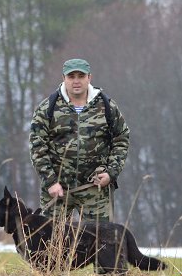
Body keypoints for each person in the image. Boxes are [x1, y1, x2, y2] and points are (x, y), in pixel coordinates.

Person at [29, 58, 130, 222]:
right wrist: (50, 181)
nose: (76, 81)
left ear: (89, 78)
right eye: (71, 76)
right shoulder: (47, 108)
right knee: (53, 244)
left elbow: (121, 139)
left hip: (95, 189)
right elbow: (37, 147)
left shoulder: (107, 106)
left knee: (98, 244)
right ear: (64, 79)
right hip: (58, 190)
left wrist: (111, 173)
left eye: (81, 76)